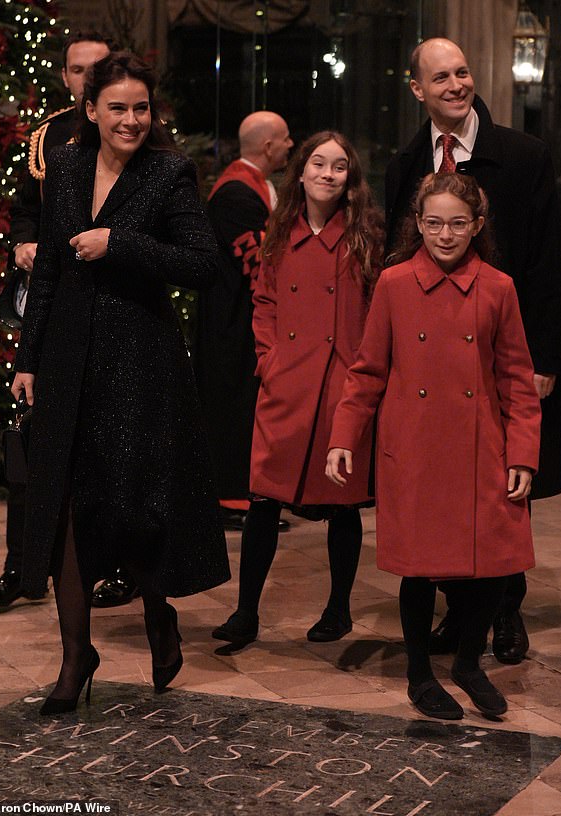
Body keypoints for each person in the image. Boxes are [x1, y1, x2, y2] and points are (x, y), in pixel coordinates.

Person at [11, 51, 230, 715]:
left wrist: (120, 243)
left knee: (134, 507)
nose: (131, 120)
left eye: (141, 108)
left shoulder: (170, 172)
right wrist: (28, 359)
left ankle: (157, 614)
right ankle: (77, 656)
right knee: (69, 511)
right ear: (91, 110)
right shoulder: (70, 166)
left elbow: (203, 265)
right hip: (68, 360)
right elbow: (47, 267)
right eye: (118, 108)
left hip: (141, 364)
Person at [327, 172, 541, 720]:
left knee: (490, 565)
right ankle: (419, 673)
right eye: (434, 223)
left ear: (477, 226)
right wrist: (344, 437)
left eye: (457, 223)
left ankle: (469, 663)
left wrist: (523, 453)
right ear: (418, 224)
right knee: (418, 567)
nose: (445, 235)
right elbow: (368, 370)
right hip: (414, 448)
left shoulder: (499, 287)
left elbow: (518, 379)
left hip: (481, 449)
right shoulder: (395, 283)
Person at [385, 37, 561, 664]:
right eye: (441, 77)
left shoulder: (523, 154)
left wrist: (545, 360)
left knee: (501, 491)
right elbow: (396, 257)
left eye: (463, 71)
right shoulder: (405, 163)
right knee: (440, 491)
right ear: (418, 90)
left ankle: (505, 611)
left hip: (503, 347)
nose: (457, 84)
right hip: (432, 357)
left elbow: (547, 265)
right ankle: (456, 614)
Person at [212, 131, 385, 648]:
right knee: (264, 497)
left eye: (339, 166)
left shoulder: (363, 237)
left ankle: (338, 608)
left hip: (341, 385)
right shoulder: (278, 234)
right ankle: (246, 613)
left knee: (343, 503)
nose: (328, 174)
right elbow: (263, 302)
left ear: (349, 177)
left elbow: (380, 311)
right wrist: (270, 359)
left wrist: (363, 370)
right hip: (287, 383)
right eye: (318, 163)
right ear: (301, 173)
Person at [0, 31, 117, 611]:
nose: (86, 78)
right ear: (65, 77)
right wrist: (23, 243)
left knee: (111, 444)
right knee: (31, 438)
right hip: (53, 308)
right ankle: (21, 567)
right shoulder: (46, 136)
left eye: (97, 68)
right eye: (77, 70)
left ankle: (116, 566)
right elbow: (25, 211)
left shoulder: (135, 131)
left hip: (113, 309)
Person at [193, 111, 293, 532]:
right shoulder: (236, 193)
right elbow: (256, 263)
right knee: (235, 409)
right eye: (286, 139)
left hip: (242, 322)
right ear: (268, 146)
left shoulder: (251, 185)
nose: (291, 145)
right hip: (232, 326)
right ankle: (232, 499)